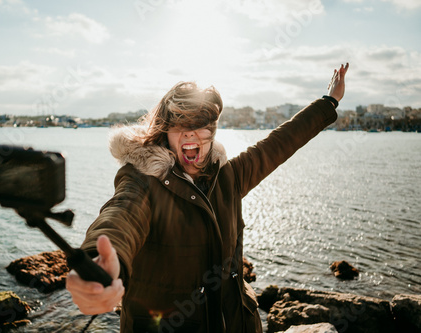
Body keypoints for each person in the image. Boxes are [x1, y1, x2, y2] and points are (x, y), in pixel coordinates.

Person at [67, 63, 349, 332]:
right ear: (165, 131)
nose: (190, 132)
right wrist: (100, 263)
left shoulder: (229, 177)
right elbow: (120, 217)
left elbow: (280, 142)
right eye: (180, 123)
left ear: (212, 130)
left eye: (200, 124)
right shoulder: (142, 181)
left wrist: (329, 101)